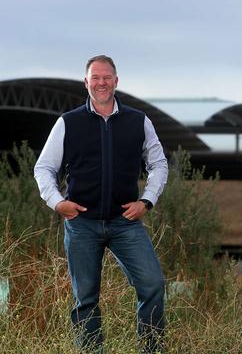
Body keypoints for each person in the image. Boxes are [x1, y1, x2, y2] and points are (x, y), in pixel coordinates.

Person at [34, 55, 168, 353]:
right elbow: (43, 168)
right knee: (86, 299)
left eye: (107, 77)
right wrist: (58, 203)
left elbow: (159, 164)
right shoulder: (68, 123)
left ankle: (151, 349)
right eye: (95, 77)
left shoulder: (138, 121)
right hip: (82, 224)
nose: (102, 82)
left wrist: (147, 200)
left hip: (125, 223)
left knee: (153, 285)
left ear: (116, 81)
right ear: (86, 82)